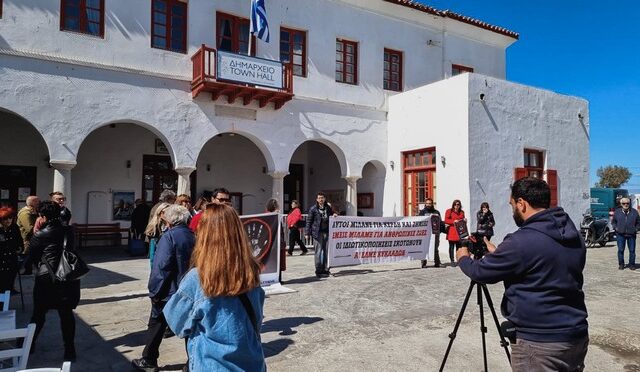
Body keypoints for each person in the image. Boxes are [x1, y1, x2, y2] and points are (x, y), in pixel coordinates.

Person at [456, 177, 588, 372]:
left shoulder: (521, 240)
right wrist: (500, 253)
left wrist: (463, 258)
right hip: (575, 335)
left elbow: (480, 272)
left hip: (539, 343)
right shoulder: (572, 233)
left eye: (512, 205)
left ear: (521, 203)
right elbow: (546, 260)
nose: (512, 211)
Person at [163, 204, 266, 372]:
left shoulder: (197, 279)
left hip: (211, 366)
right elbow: (257, 319)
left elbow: (177, 323)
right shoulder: (250, 274)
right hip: (252, 364)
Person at [132, 205, 195, 372]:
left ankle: (149, 360)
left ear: (168, 220)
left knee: (156, 323)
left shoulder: (169, 237)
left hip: (168, 290)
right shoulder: (193, 235)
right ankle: (192, 363)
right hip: (189, 289)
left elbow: (161, 267)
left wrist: (154, 292)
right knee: (190, 327)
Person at [25, 201, 80, 362]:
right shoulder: (68, 231)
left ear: (43, 217)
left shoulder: (40, 235)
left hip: (46, 279)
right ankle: (70, 350)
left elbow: (33, 258)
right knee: (66, 315)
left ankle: (29, 343)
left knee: (38, 314)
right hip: (66, 277)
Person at [305, 192, 335, 278]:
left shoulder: (328, 207)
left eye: (322, 198)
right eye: (319, 198)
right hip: (317, 233)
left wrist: (334, 215)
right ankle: (318, 270)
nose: (321, 199)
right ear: (317, 199)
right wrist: (307, 233)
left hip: (327, 232)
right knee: (318, 252)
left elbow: (332, 214)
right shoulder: (313, 209)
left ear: (324, 199)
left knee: (326, 251)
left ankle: (325, 269)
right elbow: (309, 221)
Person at [612, 197, 640, 270]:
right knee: (621, 250)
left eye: (627, 203)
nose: (626, 205)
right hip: (620, 234)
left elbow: (638, 223)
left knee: (632, 251)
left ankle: (632, 264)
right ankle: (621, 264)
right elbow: (613, 222)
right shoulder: (617, 212)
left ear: (629, 203)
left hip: (631, 235)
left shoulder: (634, 212)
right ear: (621, 204)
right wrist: (616, 228)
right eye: (624, 203)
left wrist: (636, 229)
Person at [0, 207, 22, 293]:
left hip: (11, 262)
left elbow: (19, 241)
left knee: (7, 287)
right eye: (5, 218)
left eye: (10, 218)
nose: (8, 220)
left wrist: (19, 248)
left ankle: (5, 306)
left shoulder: (14, 228)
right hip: (1, 263)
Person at [265, 198, 286, 282]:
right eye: (277, 205)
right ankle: (274, 279)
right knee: (274, 261)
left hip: (278, 241)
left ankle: (279, 279)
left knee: (279, 261)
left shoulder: (276, 215)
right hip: (272, 242)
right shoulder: (269, 216)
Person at [145, 202, 171, 268]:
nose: (167, 214)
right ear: (160, 213)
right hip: (156, 246)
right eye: (165, 212)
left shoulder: (172, 224)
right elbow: (150, 236)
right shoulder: (155, 225)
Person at [418, 198, 441, 268]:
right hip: (425, 233)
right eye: (427, 203)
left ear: (432, 204)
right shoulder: (422, 212)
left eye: (429, 203)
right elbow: (419, 222)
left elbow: (440, 222)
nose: (428, 205)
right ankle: (423, 262)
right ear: (425, 204)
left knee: (435, 248)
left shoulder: (436, 212)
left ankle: (437, 262)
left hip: (435, 233)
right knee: (424, 247)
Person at [444, 199, 466, 266]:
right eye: (455, 204)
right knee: (451, 247)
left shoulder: (462, 212)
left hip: (459, 232)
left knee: (458, 247)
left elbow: (462, 220)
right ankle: (452, 260)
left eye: (458, 204)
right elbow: (446, 220)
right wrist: (454, 221)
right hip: (452, 231)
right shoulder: (449, 211)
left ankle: (458, 259)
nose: (457, 206)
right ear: (453, 205)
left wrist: (465, 220)